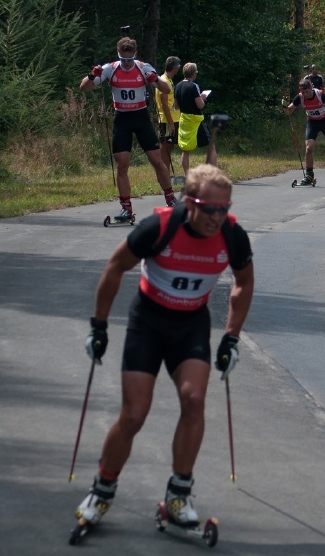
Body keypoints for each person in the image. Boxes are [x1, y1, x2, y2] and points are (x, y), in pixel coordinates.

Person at [74, 163, 254, 531]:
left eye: (225, 209)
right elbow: (114, 268)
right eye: (209, 208)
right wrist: (99, 326)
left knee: (194, 401)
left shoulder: (233, 236)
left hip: (190, 325)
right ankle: (102, 490)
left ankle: (178, 493)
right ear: (189, 202)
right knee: (135, 415)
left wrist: (231, 338)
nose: (217, 217)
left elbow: (243, 283)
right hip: (149, 322)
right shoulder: (157, 228)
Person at [80, 37, 177, 220]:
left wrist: (155, 78)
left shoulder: (143, 67)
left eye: (129, 60)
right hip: (122, 118)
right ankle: (126, 207)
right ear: (119, 56)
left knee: (157, 160)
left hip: (141, 117)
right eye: (123, 60)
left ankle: (171, 199)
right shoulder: (110, 68)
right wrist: (92, 75)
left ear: (134, 55)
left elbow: (166, 90)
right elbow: (84, 88)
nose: (126, 63)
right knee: (122, 164)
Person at [174, 63, 217, 176]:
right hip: (196, 120)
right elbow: (200, 105)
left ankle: (187, 175)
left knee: (186, 149)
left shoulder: (177, 86)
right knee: (211, 145)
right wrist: (202, 97)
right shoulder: (193, 86)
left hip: (184, 119)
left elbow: (176, 106)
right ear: (194, 73)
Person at [155, 56, 182, 174]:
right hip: (166, 120)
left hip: (174, 117)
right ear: (175, 68)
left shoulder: (169, 80)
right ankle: (164, 173)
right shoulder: (164, 81)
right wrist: (170, 123)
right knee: (165, 146)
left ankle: (166, 172)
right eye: (178, 67)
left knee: (170, 146)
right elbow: (164, 104)